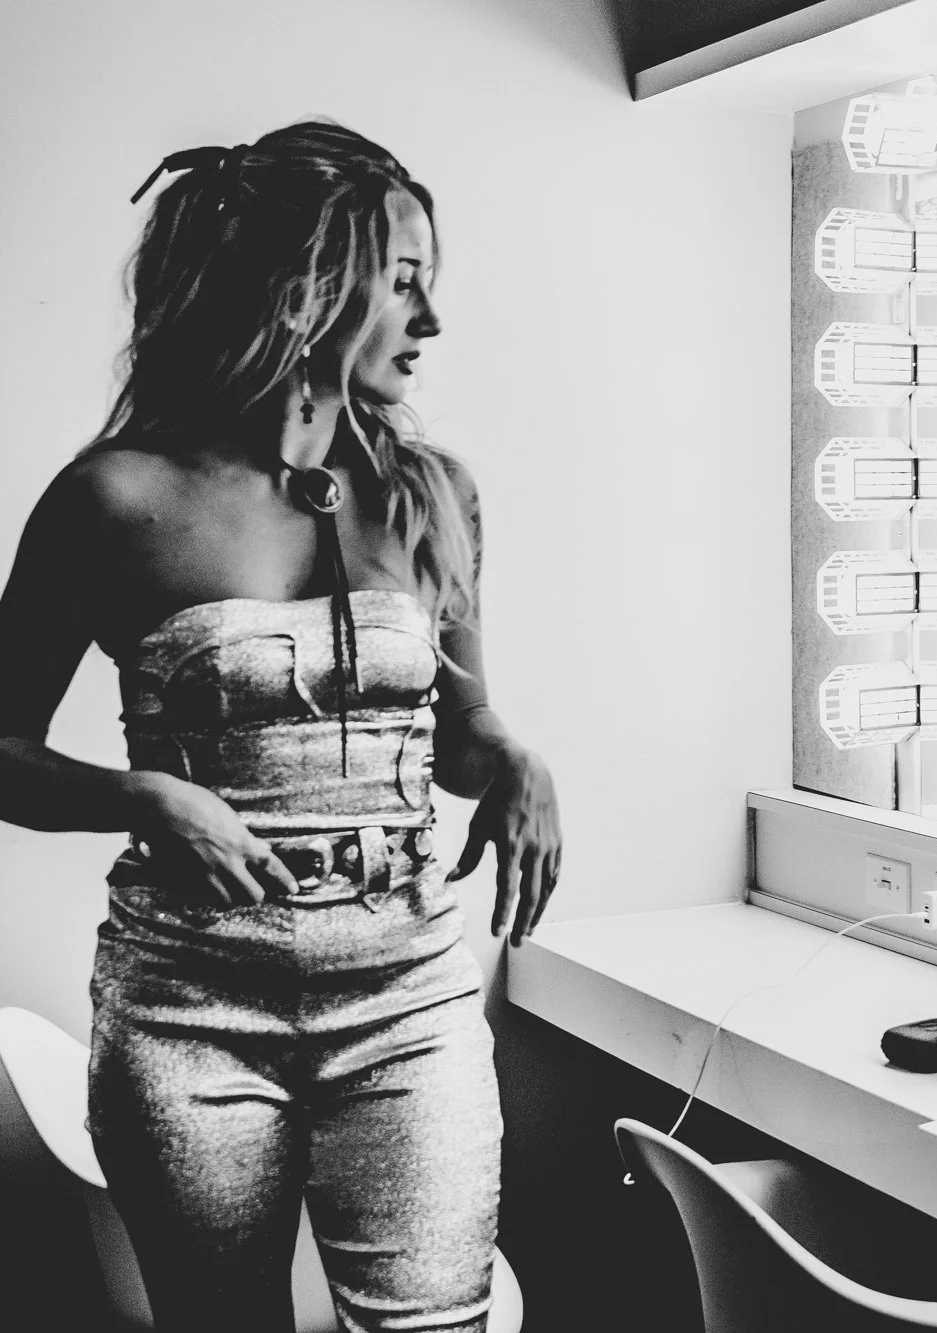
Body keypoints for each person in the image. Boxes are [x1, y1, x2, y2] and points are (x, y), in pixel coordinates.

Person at [0, 122, 560, 1331]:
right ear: (302, 292)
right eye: (401, 281)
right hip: (188, 1010)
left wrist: (514, 759)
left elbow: (460, 732)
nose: (430, 319)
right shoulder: (115, 497)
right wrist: (140, 796)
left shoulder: (433, 494)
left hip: (409, 997)